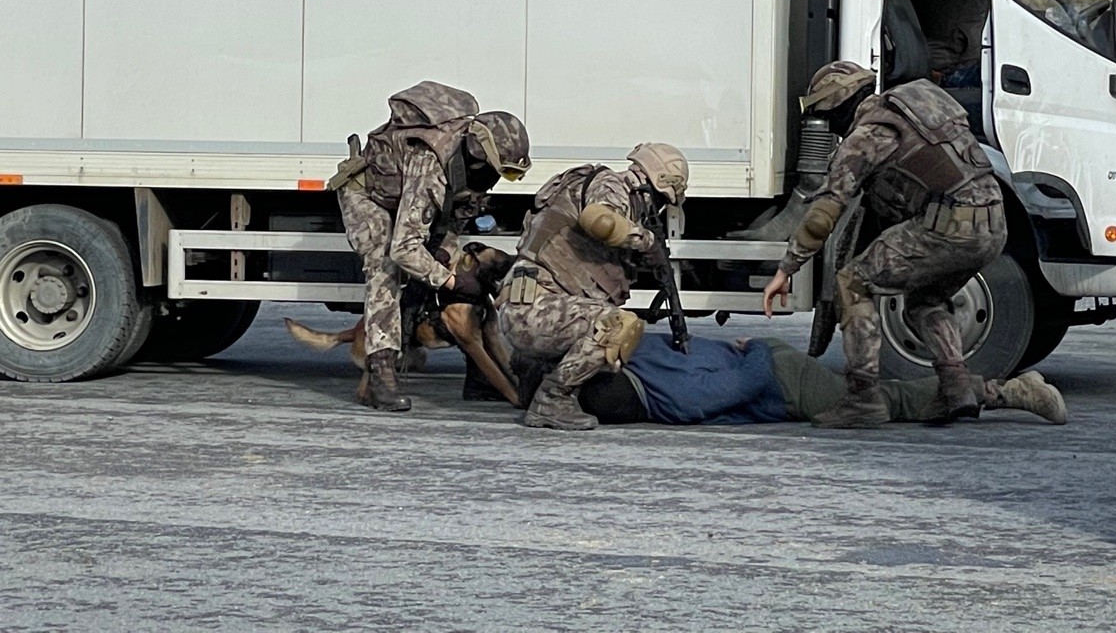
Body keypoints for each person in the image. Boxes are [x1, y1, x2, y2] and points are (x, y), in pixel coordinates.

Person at [762, 61, 1006, 428]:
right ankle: (957, 388)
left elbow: (820, 219)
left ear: (835, 106)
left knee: (852, 282)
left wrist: (786, 270)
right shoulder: (920, 103)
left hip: (950, 225)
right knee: (924, 301)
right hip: (994, 224)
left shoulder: (865, 137)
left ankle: (862, 398)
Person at [327, 81, 531, 412]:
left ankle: (480, 379)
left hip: (405, 196)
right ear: (482, 155)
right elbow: (405, 248)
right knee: (385, 269)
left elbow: (452, 223)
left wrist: (444, 255)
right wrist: (449, 280)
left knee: (437, 264)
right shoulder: (431, 164)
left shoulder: (473, 170)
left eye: (511, 175)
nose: (500, 179)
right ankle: (381, 374)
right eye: (503, 171)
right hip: (369, 196)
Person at [498, 143, 689, 431]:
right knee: (618, 325)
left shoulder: (619, 194)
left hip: (532, 308)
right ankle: (552, 399)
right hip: (532, 310)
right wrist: (647, 242)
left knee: (604, 325)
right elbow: (599, 221)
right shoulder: (612, 184)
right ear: (653, 182)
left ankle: (533, 376)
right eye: (661, 199)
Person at [514, 334, 1067, 427]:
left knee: (883, 402)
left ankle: (1005, 393)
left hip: (774, 375)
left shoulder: (641, 386)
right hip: (766, 368)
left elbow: (703, 401)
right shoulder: (615, 350)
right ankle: (1001, 389)